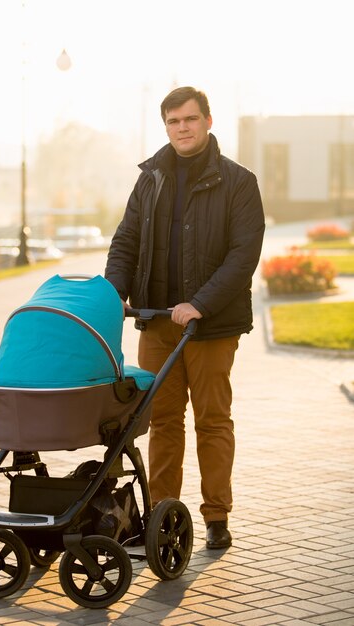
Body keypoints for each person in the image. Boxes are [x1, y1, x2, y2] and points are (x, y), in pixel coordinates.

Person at [105, 86, 265, 549]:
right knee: (163, 420)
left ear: (208, 121)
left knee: (213, 421)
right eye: (173, 121)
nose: (182, 128)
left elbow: (243, 255)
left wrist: (201, 303)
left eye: (190, 119)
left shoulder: (238, 182)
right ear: (167, 126)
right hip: (156, 322)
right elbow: (125, 241)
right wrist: (115, 291)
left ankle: (216, 517)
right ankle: (162, 515)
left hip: (211, 326)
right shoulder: (150, 178)